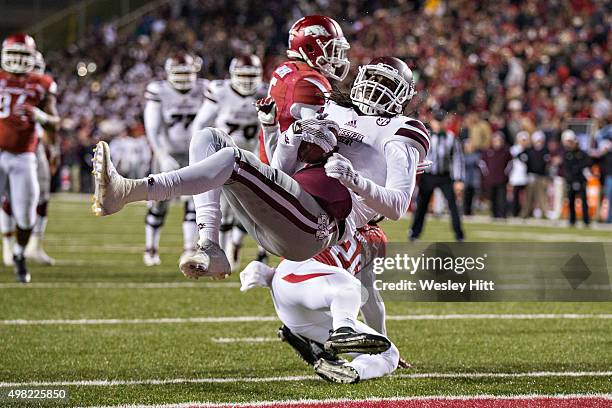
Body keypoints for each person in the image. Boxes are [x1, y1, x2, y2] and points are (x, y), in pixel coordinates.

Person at [239, 56, 429, 383]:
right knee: (354, 290)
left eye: (386, 83)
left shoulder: (397, 134)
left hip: (293, 272)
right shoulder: (336, 111)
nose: (376, 88)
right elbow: (392, 210)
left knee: (367, 320)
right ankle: (339, 342)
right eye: (375, 79)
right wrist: (287, 129)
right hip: (305, 260)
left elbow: (395, 201)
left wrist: (275, 128)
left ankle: (321, 343)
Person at [192, 54, 267, 270]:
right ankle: (223, 253)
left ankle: (236, 243)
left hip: (253, 159)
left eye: (251, 75)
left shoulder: (265, 92)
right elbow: (201, 124)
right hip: (224, 159)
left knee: (252, 208)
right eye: (242, 75)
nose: (246, 80)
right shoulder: (220, 91)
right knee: (224, 208)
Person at [0, 34, 59, 282]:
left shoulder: (42, 83)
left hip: (24, 156)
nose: (18, 60)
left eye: (24, 55)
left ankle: (20, 254)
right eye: (14, 53)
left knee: (26, 216)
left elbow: (55, 121)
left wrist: (40, 116)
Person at [142, 53, 207, 266]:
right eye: (178, 73)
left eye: (187, 72)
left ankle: (188, 249)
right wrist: (162, 155)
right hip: (167, 153)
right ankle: (150, 249)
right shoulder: (158, 91)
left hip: (193, 154)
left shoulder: (205, 89)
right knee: (159, 203)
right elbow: (153, 128)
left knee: (193, 202)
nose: (183, 78)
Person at [410, 111, 464, 241]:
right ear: (432, 121)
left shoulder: (451, 137)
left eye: (441, 122)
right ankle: (414, 233)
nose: (438, 124)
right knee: (421, 206)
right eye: (436, 121)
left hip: (445, 176)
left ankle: (459, 235)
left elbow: (457, 159)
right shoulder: (426, 135)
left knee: (453, 206)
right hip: (428, 176)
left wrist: (458, 179)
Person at [561, 130, 591, 227]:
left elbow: (587, 165)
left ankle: (586, 221)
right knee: (571, 201)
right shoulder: (567, 154)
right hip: (571, 180)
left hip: (581, 180)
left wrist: (579, 177)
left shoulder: (583, 154)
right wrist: (570, 179)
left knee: (584, 201)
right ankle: (572, 220)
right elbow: (566, 168)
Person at [481, 132, 512, 219]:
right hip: (490, 179)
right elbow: (482, 164)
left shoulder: (506, 152)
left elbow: (510, 164)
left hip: (502, 178)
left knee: (501, 198)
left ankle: (502, 214)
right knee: (492, 197)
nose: (497, 142)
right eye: (496, 140)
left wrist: (506, 174)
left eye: (499, 140)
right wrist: (486, 175)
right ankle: (494, 214)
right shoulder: (488, 151)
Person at [522, 131, 550, 219]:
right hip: (531, 175)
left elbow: (547, 163)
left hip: (541, 176)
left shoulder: (545, 150)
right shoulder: (529, 150)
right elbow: (520, 156)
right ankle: (525, 213)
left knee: (542, 196)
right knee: (528, 196)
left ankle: (544, 212)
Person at [508, 131, 529, 217]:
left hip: (525, 176)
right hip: (515, 175)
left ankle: (524, 212)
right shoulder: (513, 149)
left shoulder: (528, 150)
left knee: (525, 197)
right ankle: (514, 212)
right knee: (515, 196)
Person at [462, 138, 481, 216]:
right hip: (465, 179)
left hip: (474, 179)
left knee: (473, 196)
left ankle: (470, 212)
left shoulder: (477, 155)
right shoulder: (462, 155)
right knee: (465, 196)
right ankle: (465, 211)